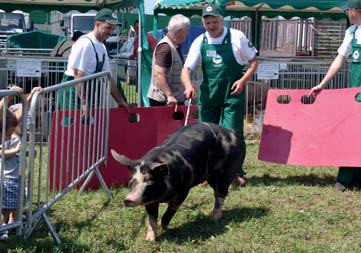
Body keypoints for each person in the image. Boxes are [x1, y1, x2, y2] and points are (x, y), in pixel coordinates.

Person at [181, 4, 258, 186]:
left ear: (222, 20)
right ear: (203, 22)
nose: (211, 26)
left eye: (215, 22)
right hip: (209, 96)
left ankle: (234, 172)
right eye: (208, 23)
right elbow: (186, 69)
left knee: (232, 134)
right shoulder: (200, 41)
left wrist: (243, 81)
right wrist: (187, 86)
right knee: (207, 136)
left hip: (232, 95)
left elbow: (254, 61)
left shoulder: (237, 37)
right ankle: (208, 174)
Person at [309, 0, 361, 192]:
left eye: (347, 11)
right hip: (355, 94)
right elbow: (340, 59)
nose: (347, 14)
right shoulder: (352, 32)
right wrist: (322, 84)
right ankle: (346, 177)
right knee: (351, 134)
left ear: (354, 11)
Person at [59, 8, 129, 113]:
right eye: (108, 27)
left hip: (86, 92)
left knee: (86, 127)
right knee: (73, 127)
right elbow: (78, 74)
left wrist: (120, 100)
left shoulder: (101, 46)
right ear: (97, 24)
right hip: (73, 94)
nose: (110, 32)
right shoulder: (85, 44)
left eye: (113, 29)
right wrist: (83, 103)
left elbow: (108, 77)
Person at [0, 86, 42, 240]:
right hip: (7, 177)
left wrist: (30, 96)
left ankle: (13, 225)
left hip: (16, 176)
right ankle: (4, 227)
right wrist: (9, 96)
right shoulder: (6, 131)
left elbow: (22, 112)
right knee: (5, 207)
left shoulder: (14, 132)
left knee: (17, 203)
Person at [147, 14, 190, 106]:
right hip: (164, 101)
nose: (188, 33)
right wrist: (169, 95)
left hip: (173, 100)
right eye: (187, 30)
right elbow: (158, 73)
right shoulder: (165, 47)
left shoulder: (174, 45)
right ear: (179, 31)